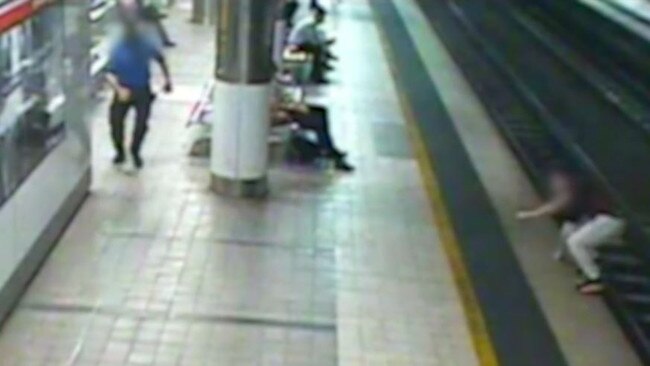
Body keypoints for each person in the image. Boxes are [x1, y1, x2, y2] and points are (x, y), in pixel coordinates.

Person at [517, 165, 625, 295]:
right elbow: (568, 227)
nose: (555, 184)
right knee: (571, 233)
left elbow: (558, 204)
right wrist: (560, 254)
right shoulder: (578, 193)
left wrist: (531, 214)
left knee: (576, 242)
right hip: (597, 219)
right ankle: (593, 265)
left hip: (608, 219)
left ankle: (595, 278)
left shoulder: (576, 189)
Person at [105, 21, 173, 169]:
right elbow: (109, 72)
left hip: (142, 89)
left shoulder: (145, 45)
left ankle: (135, 150)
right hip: (124, 88)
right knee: (115, 122)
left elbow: (160, 59)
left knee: (141, 123)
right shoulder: (119, 48)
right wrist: (118, 89)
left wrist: (167, 80)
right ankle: (120, 151)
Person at [271, 81, 353, 171]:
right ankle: (327, 150)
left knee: (321, 112)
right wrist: (291, 107)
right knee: (318, 120)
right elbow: (274, 105)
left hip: (285, 109)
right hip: (282, 112)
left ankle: (327, 148)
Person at [287, 7, 335, 83]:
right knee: (317, 50)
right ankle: (317, 75)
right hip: (297, 45)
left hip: (303, 45)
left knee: (318, 49)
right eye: (322, 17)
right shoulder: (308, 25)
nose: (323, 20)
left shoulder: (313, 25)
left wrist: (325, 43)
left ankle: (320, 70)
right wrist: (325, 43)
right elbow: (312, 41)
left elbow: (316, 39)